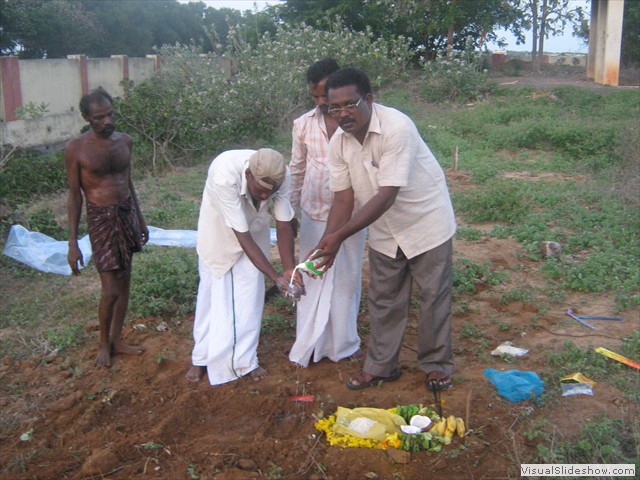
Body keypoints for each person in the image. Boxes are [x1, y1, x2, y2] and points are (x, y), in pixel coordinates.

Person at [311, 67, 457, 391]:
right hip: (384, 230)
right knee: (384, 300)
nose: (343, 114)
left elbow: (387, 195)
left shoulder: (397, 128)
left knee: (433, 297)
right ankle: (381, 366)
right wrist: (326, 243)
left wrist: (338, 238)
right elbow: (342, 200)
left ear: (368, 99)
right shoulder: (338, 144)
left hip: (426, 222)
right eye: (334, 108)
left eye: (350, 104)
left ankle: (435, 366)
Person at [186, 148, 303, 385]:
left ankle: (244, 361)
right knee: (211, 295)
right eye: (260, 190)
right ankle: (200, 358)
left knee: (249, 296)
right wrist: (274, 277)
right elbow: (242, 236)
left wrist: (289, 270)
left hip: (255, 229)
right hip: (219, 229)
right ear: (248, 174)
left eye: (270, 192)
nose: (265, 196)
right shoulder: (224, 174)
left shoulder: (281, 175)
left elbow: (283, 225)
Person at [288, 58, 367, 367]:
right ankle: (309, 343)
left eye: (325, 95)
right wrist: (290, 212)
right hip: (313, 211)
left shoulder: (356, 122)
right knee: (312, 275)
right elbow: (296, 170)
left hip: (353, 215)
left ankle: (344, 344)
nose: (321, 102)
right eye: (315, 96)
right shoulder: (303, 124)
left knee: (347, 279)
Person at [65, 88, 149, 368]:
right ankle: (103, 343)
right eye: (99, 117)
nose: (106, 121)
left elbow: (128, 182)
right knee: (110, 288)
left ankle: (117, 340)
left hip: (126, 213)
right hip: (101, 218)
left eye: (110, 114)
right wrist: (73, 243)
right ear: (87, 118)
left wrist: (140, 218)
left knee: (125, 281)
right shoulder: (76, 149)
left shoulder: (125, 142)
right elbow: (74, 195)